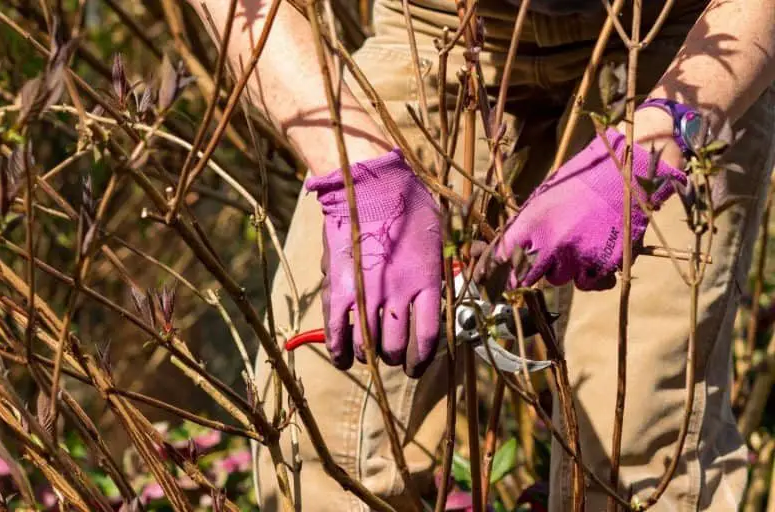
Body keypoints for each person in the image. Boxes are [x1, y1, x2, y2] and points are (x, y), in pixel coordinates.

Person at [187, 0, 775, 510]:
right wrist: (357, 170)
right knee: (316, 441)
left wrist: (653, 147)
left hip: (684, 37)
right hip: (439, 24)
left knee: (641, 445)